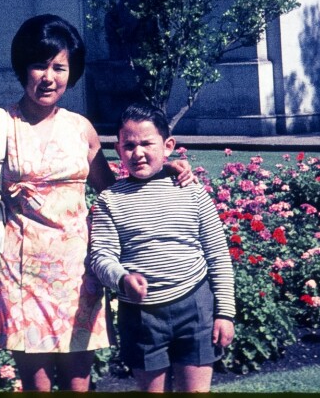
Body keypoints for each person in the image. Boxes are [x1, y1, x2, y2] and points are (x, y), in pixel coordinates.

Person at [0, 14, 191, 392]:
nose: (48, 77)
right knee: (37, 383)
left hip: (78, 274)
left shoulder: (80, 128)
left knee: (79, 381)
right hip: (21, 273)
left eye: (59, 67)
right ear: (23, 68)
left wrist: (163, 169)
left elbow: (114, 190)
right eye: (39, 65)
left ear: (71, 72)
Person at [88, 103, 235, 393]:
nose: (138, 152)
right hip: (141, 315)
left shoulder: (191, 191)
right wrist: (122, 279)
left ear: (168, 146)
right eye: (129, 145)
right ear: (118, 150)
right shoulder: (110, 200)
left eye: (146, 143)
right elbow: (101, 255)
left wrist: (225, 313)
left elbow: (218, 255)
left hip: (195, 305)